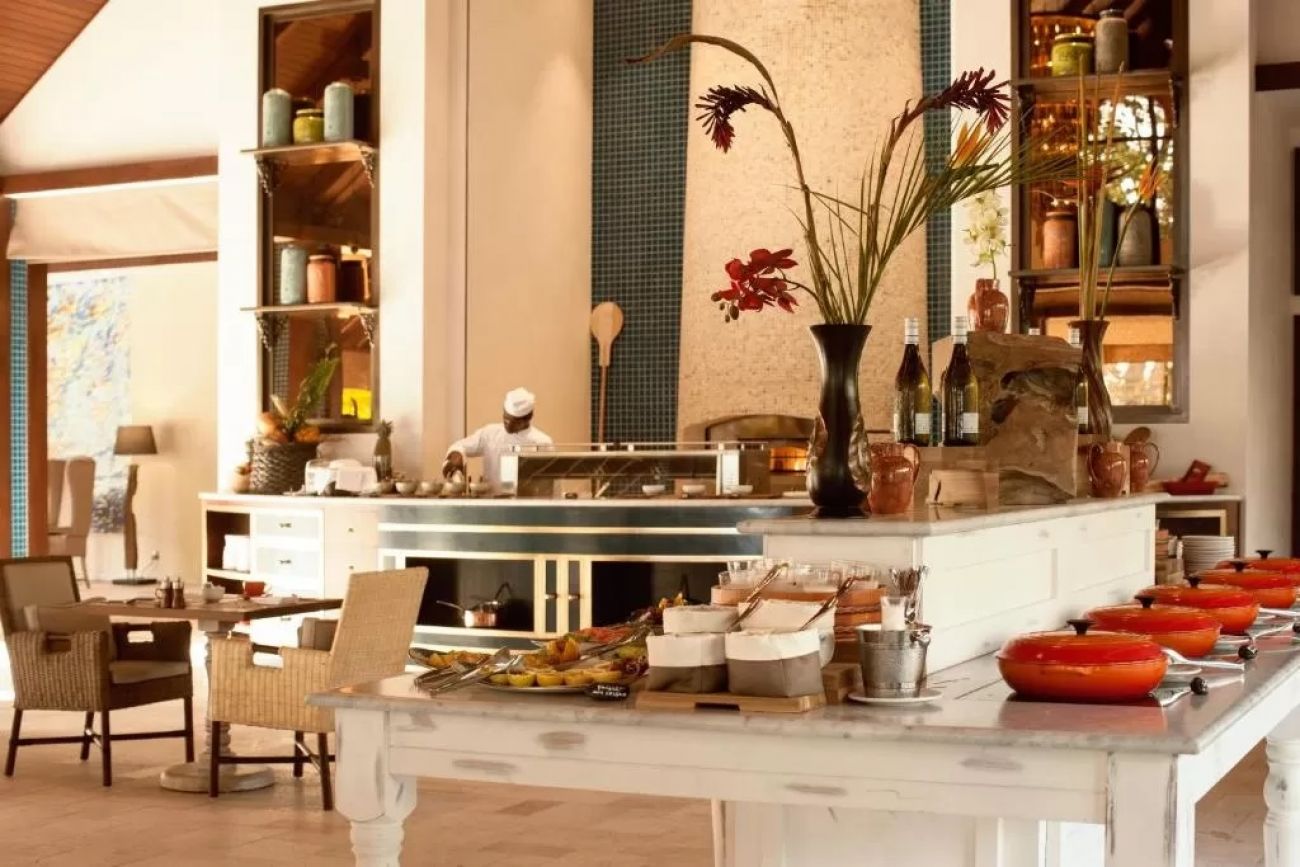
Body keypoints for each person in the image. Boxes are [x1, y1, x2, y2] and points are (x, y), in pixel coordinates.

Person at [442, 387, 553, 488]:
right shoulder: (490, 433)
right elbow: (460, 446)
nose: (508, 424)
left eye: (514, 421)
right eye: (505, 418)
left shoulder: (542, 442)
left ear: (528, 419)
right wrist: (456, 455)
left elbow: (549, 484)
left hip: (526, 502)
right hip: (491, 501)